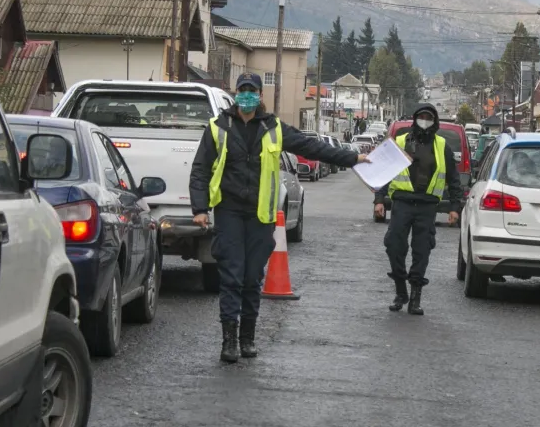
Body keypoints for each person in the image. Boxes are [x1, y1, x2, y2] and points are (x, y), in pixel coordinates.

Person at [189, 73, 369, 363]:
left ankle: (248, 338)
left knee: (251, 279)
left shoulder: (273, 128)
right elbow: (200, 170)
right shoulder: (217, 127)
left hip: (261, 215)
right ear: (236, 94)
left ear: (260, 95)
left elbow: (311, 147)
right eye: (242, 90)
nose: (247, 95)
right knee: (232, 277)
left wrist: (351, 157)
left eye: (252, 90)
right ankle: (229, 342)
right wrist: (199, 209)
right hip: (230, 212)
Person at [373, 103, 463, 316]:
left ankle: (415, 298)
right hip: (402, 203)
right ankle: (400, 292)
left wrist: (454, 207)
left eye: (428, 117)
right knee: (394, 246)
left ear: (435, 121)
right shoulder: (401, 142)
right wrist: (379, 200)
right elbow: (384, 172)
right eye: (421, 116)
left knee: (421, 251)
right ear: (415, 119)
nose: (424, 120)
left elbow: (454, 179)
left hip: (427, 206)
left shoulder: (442, 146)